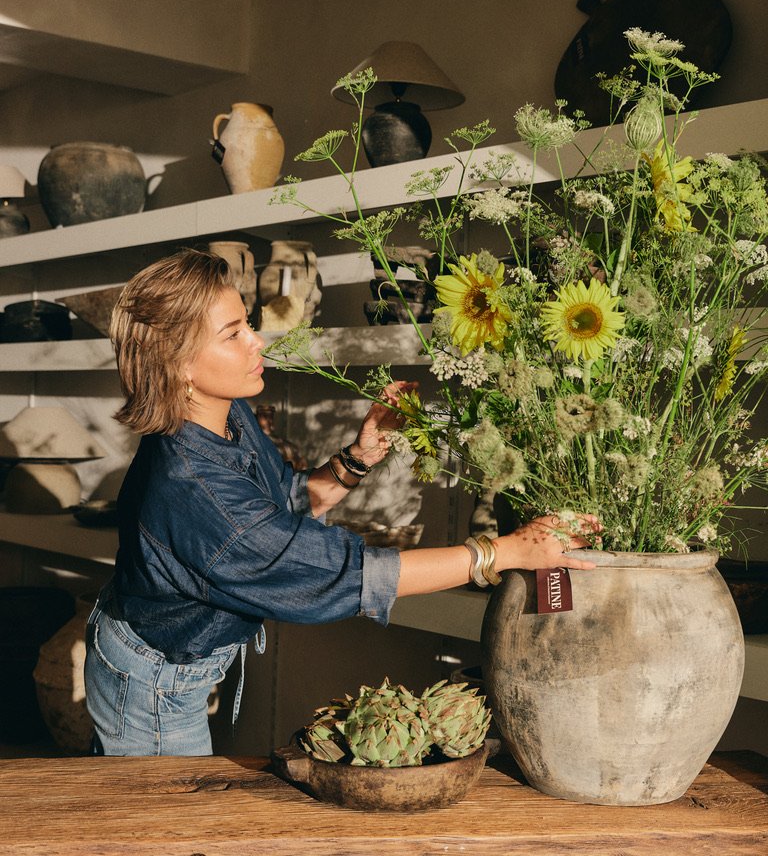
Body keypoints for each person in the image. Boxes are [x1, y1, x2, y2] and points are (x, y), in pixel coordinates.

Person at [84, 249, 597, 756]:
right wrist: (506, 552)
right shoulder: (193, 485)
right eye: (233, 334)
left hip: (171, 658)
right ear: (178, 367)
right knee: (165, 830)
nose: (257, 340)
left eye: (247, 323)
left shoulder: (225, 413)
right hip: (150, 684)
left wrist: (357, 457)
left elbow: (280, 506)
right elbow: (344, 573)